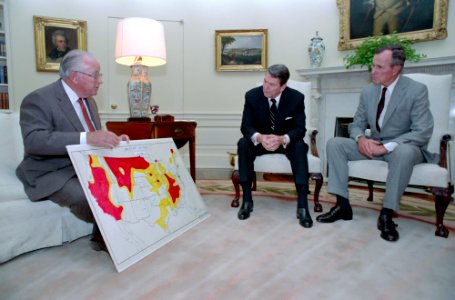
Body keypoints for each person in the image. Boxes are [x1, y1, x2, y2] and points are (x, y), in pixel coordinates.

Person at [317, 45, 435, 242]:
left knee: (403, 152)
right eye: (373, 65)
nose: (373, 71)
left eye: (379, 67)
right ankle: (342, 205)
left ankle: (387, 214)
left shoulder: (416, 90)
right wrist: (360, 139)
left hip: (404, 146)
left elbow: (422, 131)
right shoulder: (369, 91)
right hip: (375, 144)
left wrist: (386, 147)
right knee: (335, 143)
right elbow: (356, 124)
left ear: (396, 68)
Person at [16, 49, 129, 251]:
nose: (100, 80)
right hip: (50, 171)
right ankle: (116, 239)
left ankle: (110, 236)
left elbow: (93, 136)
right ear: (75, 76)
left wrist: (112, 139)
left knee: (130, 182)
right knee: (87, 196)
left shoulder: (89, 102)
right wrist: (87, 138)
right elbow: (34, 141)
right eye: (95, 75)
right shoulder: (39, 99)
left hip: (83, 165)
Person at [237, 64, 312, 228]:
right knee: (243, 143)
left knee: (299, 146)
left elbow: (300, 129)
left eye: (271, 84)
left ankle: (303, 206)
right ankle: (247, 200)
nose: (266, 87)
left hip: (284, 142)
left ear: (283, 86)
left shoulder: (296, 98)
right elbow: (246, 127)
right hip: (261, 141)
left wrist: (282, 139)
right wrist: (260, 137)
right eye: (265, 81)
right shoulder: (251, 96)